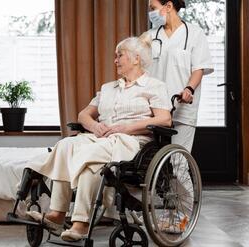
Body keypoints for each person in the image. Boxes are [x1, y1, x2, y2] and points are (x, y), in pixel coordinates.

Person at [24, 35, 172, 242]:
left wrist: (127, 127)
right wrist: (95, 126)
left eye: (119, 55)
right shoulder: (108, 88)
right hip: (101, 138)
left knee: (89, 158)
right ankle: (57, 214)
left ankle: (80, 223)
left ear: (136, 58)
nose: (115, 60)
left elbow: (164, 119)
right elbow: (83, 115)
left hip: (131, 141)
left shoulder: (153, 86)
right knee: (65, 146)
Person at [145, 0, 214, 152]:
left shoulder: (195, 34)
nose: (151, 13)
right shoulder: (150, 36)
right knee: (150, 158)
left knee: (179, 161)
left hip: (182, 105)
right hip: (155, 107)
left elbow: (198, 68)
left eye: (153, 8)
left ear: (168, 6)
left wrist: (189, 89)